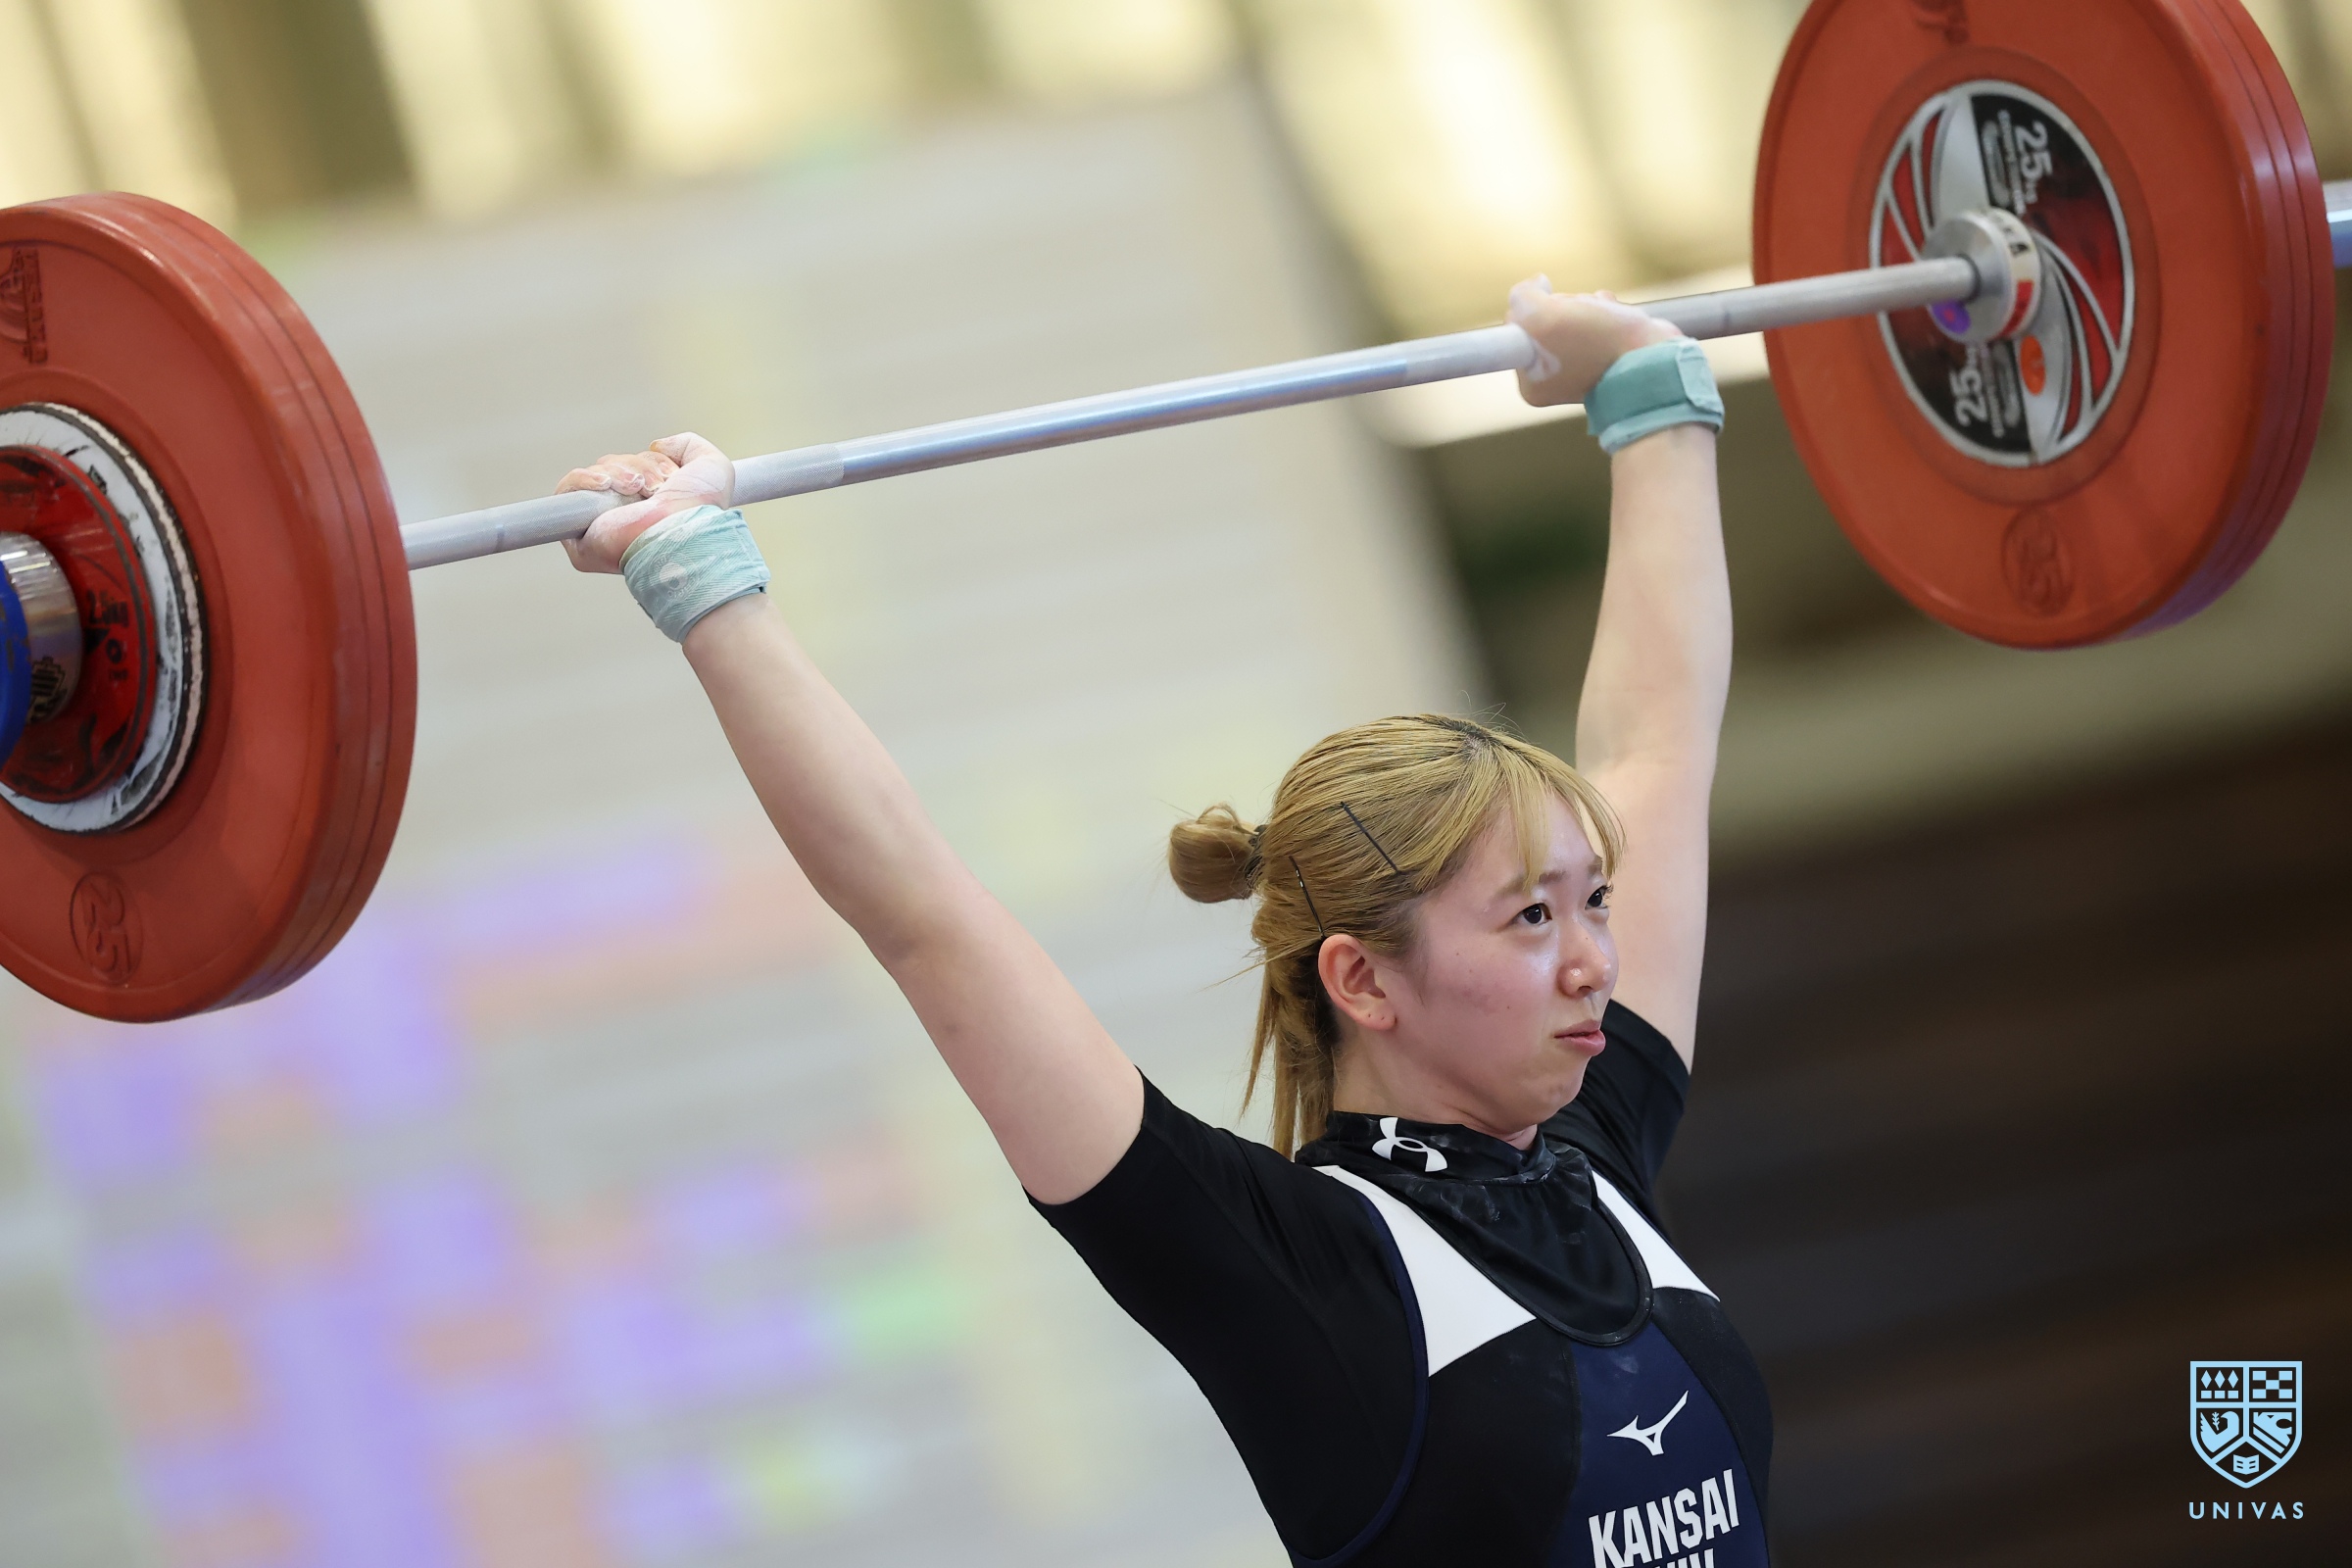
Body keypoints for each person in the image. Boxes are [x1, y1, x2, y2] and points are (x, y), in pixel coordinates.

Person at [557, 279, 1760, 1568]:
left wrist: (1654, 399)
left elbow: (1656, 750)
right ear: (1362, 980)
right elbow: (923, 916)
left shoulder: (1590, 1145)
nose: (1595, 963)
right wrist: (701, 572)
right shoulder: (1290, 1272)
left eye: (1594, 901)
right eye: (1530, 916)